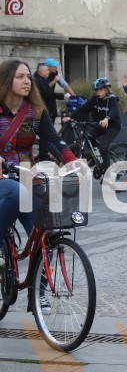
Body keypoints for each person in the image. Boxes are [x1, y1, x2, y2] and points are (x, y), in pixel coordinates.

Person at [0, 59, 81, 312]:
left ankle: (39, 293)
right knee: (14, 193)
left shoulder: (35, 111)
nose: (27, 81)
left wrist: (73, 162)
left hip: (27, 174)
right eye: (20, 77)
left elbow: (54, 141)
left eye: (28, 77)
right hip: (3, 179)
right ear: (6, 81)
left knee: (48, 229)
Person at [63, 77, 122, 184]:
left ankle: (108, 175)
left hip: (112, 126)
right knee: (87, 137)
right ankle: (96, 158)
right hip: (98, 125)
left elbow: (114, 111)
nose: (98, 92)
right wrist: (71, 117)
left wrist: (107, 119)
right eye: (96, 90)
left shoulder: (112, 99)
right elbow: (83, 109)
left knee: (104, 146)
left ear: (106, 89)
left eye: (100, 90)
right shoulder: (95, 100)